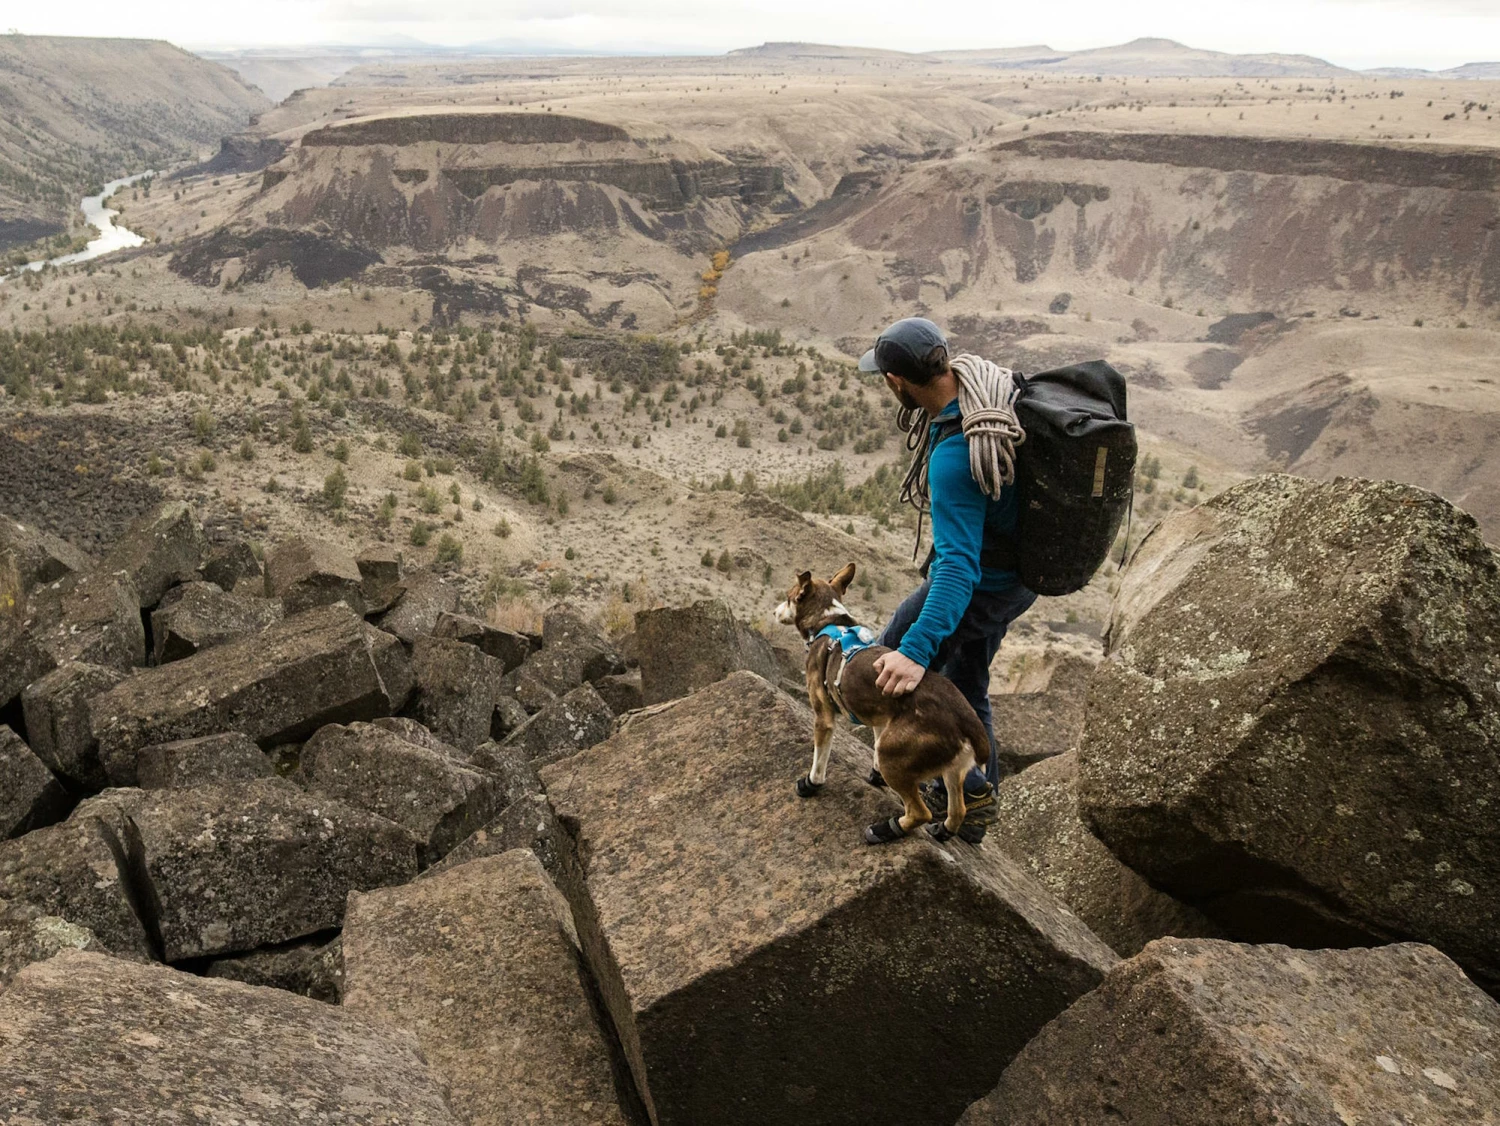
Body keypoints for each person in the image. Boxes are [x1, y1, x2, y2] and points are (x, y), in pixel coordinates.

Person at [859, 317, 1036, 843]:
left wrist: (915, 651)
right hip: (1018, 579)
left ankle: (919, 772)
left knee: (884, 660)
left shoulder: (957, 455)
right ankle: (976, 806)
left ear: (896, 381)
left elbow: (958, 570)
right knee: (967, 682)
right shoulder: (992, 393)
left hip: (985, 583)